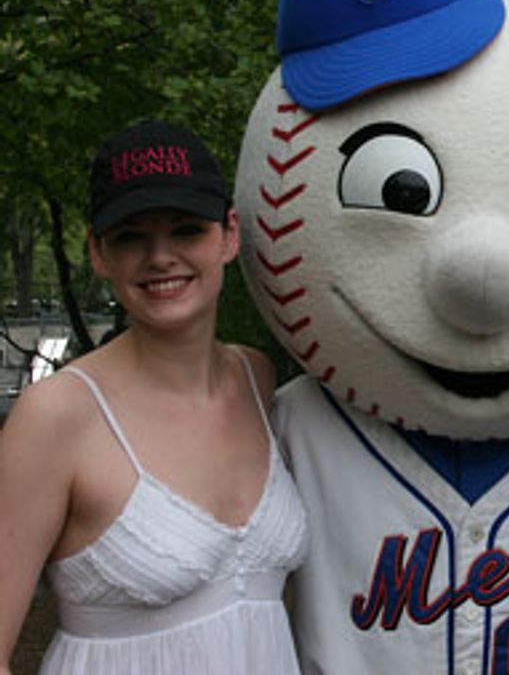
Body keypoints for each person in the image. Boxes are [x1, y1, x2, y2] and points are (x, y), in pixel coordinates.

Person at [0, 120, 308, 675]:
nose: (161, 257)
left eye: (187, 230)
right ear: (97, 252)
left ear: (229, 234)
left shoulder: (258, 380)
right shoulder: (56, 415)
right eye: (130, 236)